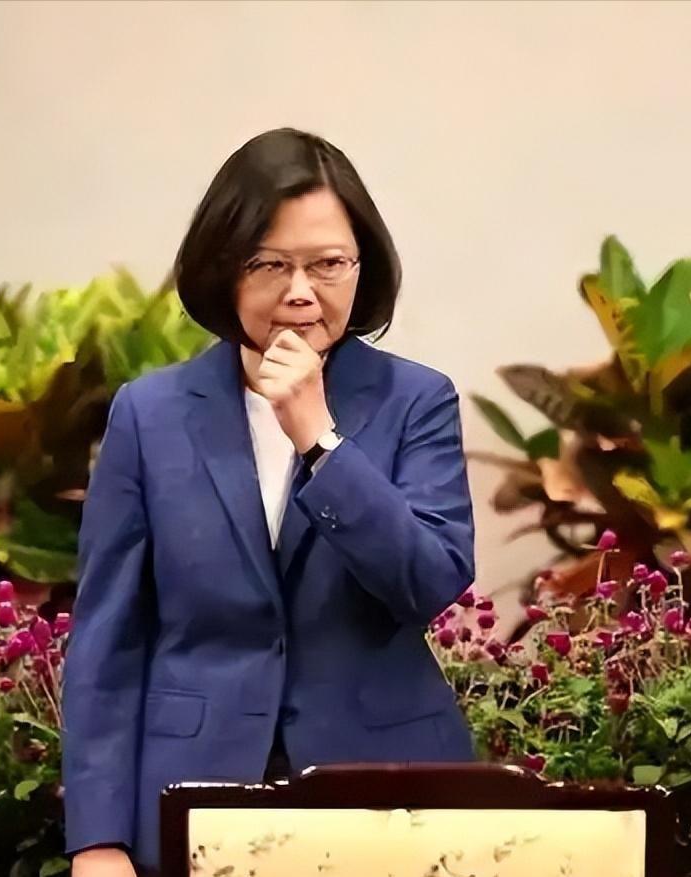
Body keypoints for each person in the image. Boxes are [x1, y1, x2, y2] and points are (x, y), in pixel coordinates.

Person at [62, 128, 477, 875]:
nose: (301, 291)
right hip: (193, 793)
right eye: (269, 264)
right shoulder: (150, 415)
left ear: (362, 266)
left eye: (328, 264)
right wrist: (98, 839)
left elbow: (430, 579)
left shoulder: (416, 400)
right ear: (224, 269)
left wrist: (321, 440)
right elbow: (107, 640)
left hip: (386, 797)